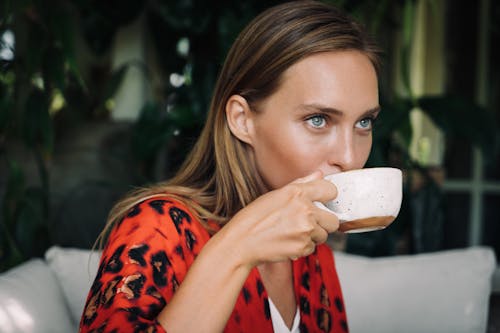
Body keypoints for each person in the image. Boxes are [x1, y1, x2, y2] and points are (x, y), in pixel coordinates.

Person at [79, 1, 380, 332]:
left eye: (364, 122)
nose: (350, 158)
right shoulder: (160, 229)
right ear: (243, 120)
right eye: (318, 119)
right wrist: (236, 249)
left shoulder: (310, 249)